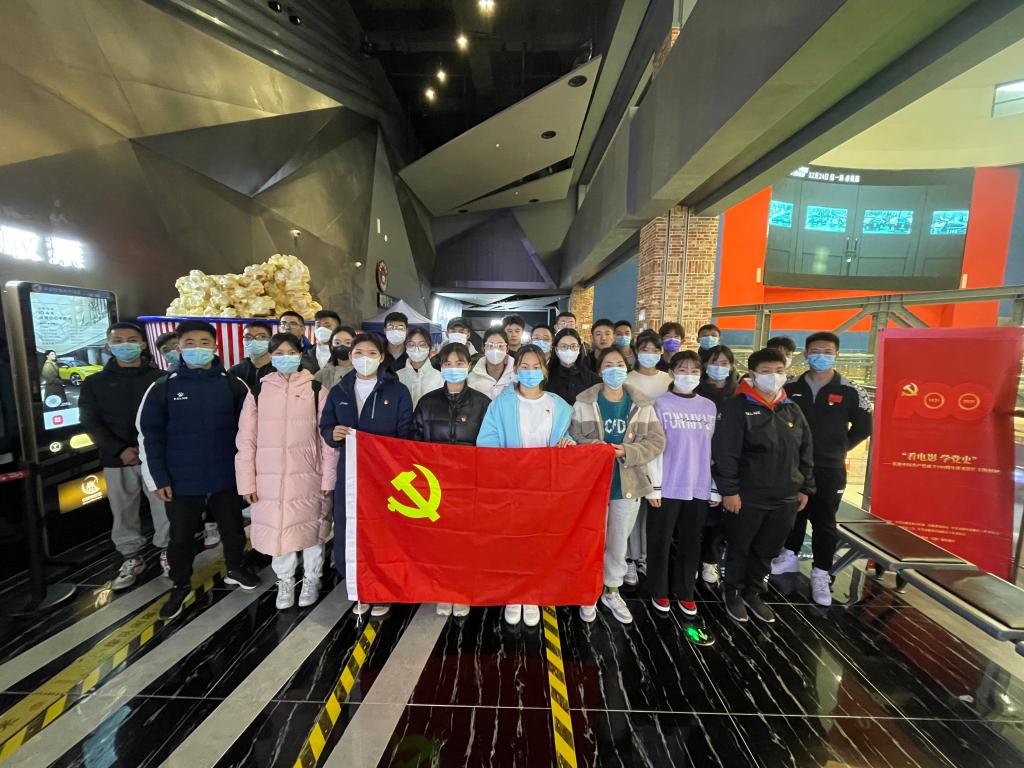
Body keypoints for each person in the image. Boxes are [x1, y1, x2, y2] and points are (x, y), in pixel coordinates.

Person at [138, 320, 260, 621]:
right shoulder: (163, 387)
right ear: (179, 347)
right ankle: (180, 584)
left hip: (226, 474)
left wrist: (249, 475)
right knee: (180, 536)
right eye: (190, 343)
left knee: (232, 528)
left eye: (204, 343)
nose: (197, 349)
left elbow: (251, 433)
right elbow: (150, 435)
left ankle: (235, 568)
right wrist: (158, 478)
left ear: (215, 347)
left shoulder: (233, 385)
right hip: (181, 478)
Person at [712, 347, 814, 625]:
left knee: (768, 548)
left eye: (779, 371)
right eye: (766, 372)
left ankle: (754, 591)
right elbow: (726, 453)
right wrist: (730, 491)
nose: (773, 376)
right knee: (740, 546)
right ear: (752, 375)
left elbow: (805, 451)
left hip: (785, 496)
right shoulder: (737, 407)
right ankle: (732, 591)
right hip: (748, 495)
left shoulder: (791, 408)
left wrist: (805, 487)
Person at [235, 333, 337, 611]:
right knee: (279, 532)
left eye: (291, 352)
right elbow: (246, 440)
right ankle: (285, 580)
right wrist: (246, 481)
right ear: (271, 356)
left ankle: (312, 578)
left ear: (300, 354)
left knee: (313, 530)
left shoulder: (316, 390)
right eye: (279, 352)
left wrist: (329, 476)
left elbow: (328, 441)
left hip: (309, 475)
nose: (285, 357)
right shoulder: (258, 392)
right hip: (268, 478)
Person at [772, 332, 872, 606]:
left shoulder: (851, 390)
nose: (821, 356)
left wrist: (839, 448)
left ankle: (821, 572)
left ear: (837, 354)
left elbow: (864, 427)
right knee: (794, 513)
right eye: (815, 351)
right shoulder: (790, 387)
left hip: (829, 467)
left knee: (824, 520)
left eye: (827, 351)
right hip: (793, 465)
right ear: (806, 354)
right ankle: (790, 555)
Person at [478, 345, 574, 628]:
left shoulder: (560, 405)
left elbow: (568, 438)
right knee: (512, 540)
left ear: (544, 370)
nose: (530, 372)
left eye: (536, 367)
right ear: (516, 371)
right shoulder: (501, 404)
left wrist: (568, 443)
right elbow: (487, 441)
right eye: (524, 367)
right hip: (512, 486)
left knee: (539, 540)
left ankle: (531, 593)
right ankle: (514, 593)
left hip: (545, 487)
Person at [320, 332, 413, 618]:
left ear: (381, 357)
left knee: (384, 531)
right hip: (350, 474)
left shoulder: (397, 391)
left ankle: (383, 588)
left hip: (386, 476)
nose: (364, 359)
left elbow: (406, 433)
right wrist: (332, 433)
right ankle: (359, 586)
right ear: (351, 356)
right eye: (358, 353)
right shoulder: (340, 391)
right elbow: (326, 426)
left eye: (372, 353)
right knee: (351, 529)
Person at [570, 347, 665, 625]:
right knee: (591, 540)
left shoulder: (641, 404)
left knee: (618, 541)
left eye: (620, 364)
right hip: (592, 485)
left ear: (627, 369)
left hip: (627, 483)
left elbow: (656, 442)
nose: (615, 370)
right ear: (600, 371)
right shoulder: (584, 402)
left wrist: (627, 451)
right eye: (608, 365)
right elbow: (573, 436)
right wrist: (595, 447)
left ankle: (612, 590)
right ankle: (588, 590)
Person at [80, 323, 170, 588]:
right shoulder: (95, 383)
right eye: (118, 340)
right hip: (117, 458)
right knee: (122, 511)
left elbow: (171, 417)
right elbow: (90, 421)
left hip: (156, 456)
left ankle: (168, 552)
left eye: (132, 340)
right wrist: (119, 449)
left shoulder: (161, 379)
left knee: (164, 506)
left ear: (143, 344)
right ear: (109, 346)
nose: (125, 344)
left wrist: (151, 448)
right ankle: (131, 557)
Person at [414, 342, 491, 618]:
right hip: (436, 485)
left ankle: (463, 590)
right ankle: (443, 590)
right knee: (440, 540)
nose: (454, 368)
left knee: (467, 540)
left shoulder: (482, 403)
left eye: (460, 363)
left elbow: (490, 444)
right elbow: (414, 443)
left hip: (470, 483)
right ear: (441, 367)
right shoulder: (427, 403)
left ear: (469, 366)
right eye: (448, 364)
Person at [647, 350, 717, 645]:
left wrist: (714, 486)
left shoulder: (709, 407)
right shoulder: (659, 404)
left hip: (698, 484)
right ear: (672, 373)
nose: (688, 374)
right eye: (682, 369)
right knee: (660, 540)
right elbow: (652, 447)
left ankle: (685, 591)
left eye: (694, 370)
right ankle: (659, 590)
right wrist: (653, 486)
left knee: (691, 542)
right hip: (667, 484)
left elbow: (711, 448)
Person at [622, 329, 672, 585]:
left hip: (663, 449)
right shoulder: (627, 379)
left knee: (656, 506)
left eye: (655, 350)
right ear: (636, 351)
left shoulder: (669, 379)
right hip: (633, 448)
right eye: (644, 350)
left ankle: (645, 557)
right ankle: (629, 558)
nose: (650, 354)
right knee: (632, 508)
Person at [695, 343, 739, 585]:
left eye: (724, 363)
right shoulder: (696, 390)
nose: (719, 368)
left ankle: (710, 559)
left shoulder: (738, 394)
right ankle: (690, 558)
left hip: (726, 462)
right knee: (694, 515)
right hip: (697, 460)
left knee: (718, 517)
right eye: (714, 363)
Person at [545, 328, 599, 406]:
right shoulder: (546, 376)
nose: (569, 350)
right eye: (563, 346)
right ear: (556, 349)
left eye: (573, 346)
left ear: (579, 349)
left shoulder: (591, 378)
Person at [398, 327, 443, 407]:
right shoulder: (397, 377)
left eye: (422, 345)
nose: (417, 349)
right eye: (411, 345)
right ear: (406, 348)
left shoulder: (441, 378)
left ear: (430, 348)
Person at [468, 328, 515, 399]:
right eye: (490, 346)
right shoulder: (472, 377)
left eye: (500, 346)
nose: (495, 350)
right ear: (483, 348)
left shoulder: (517, 374)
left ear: (507, 349)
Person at [229, 321, 275, 391]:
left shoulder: (280, 370)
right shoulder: (234, 372)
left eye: (261, 337)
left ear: (271, 340)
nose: (254, 341)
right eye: (248, 337)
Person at [314, 326, 356, 391]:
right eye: (337, 343)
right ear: (331, 346)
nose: (342, 346)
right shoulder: (321, 375)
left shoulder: (361, 373)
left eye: (348, 343)